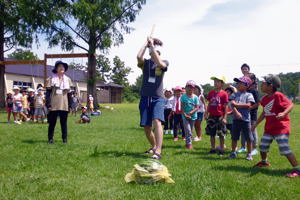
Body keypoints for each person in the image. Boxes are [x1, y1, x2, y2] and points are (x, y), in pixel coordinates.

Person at [252, 74, 300, 178]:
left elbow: (290, 105)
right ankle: (264, 162)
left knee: (284, 148)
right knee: (263, 146)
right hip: (269, 129)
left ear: (271, 86)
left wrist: (283, 114)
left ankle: (297, 169)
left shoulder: (278, 95)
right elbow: (265, 112)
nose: (261, 85)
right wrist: (256, 123)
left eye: (263, 83)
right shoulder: (264, 99)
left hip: (281, 128)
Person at [137, 36, 169, 160]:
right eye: (155, 52)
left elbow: (160, 63)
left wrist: (152, 47)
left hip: (158, 98)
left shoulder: (164, 62)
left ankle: (158, 151)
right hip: (145, 97)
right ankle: (154, 146)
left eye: (157, 52)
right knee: (146, 126)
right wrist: (146, 44)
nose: (156, 54)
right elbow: (139, 57)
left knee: (157, 121)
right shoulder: (145, 63)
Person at [46, 60, 73, 144]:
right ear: (56, 69)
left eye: (63, 67)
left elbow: (69, 94)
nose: (62, 68)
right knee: (52, 123)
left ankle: (64, 139)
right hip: (54, 104)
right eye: (60, 66)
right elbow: (48, 93)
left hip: (64, 104)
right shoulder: (51, 79)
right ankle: (50, 139)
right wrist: (48, 104)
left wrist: (70, 105)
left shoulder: (68, 79)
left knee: (64, 123)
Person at [228, 76, 255, 161]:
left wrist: (237, 105)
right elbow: (232, 103)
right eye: (237, 83)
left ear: (246, 85)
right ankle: (233, 152)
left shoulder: (249, 95)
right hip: (236, 120)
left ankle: (249, 154)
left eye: (240, 83)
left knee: (249, 138)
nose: (238, 84)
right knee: (234, 137)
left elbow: (248, 105)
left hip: (246, 121)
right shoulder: (234, 94)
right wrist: (236, 112)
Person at [237, 73, 260, 155]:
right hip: (244, 115)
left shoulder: (254, 91)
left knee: (252, 130)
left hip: (252, 115)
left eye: (246, 78)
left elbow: (258, 103)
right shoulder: (244, 91)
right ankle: (243, 147)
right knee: (243, 131)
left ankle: (254, 148)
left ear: (252, 81)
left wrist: (249, 108)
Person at [205, 76, 228, 156]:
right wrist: (206, 113)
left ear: (222, 83)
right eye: (214, 81)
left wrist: (225, 117)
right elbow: (209, 104)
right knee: (212, 133)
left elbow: (226, 106)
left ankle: (221, 149)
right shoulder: (211, 93)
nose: (215, 83)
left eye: (218, 81)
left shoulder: (224, 94)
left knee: (221, 134)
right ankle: (213, 148)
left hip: (220, 116)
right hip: (212, 116)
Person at [181, 80, 199, 149]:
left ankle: (187, 143)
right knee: (188, 130)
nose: (190, 89)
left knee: (190, 130)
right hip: (185, 116)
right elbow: (181, 107)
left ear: (194, 89)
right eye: (188, 87)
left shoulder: (195, 97)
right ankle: (189, 144)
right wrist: (185, 114)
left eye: (191, 87)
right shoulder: (183, 97)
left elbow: (197, 107)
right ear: (186, 88)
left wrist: (191, 112)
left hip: (193, 116)